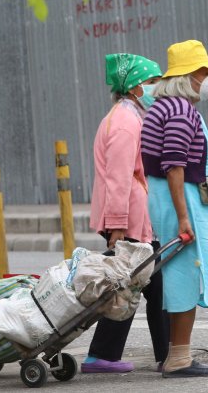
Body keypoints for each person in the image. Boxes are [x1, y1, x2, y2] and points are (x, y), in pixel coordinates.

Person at [140, 39, 208, 378]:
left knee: (183, 272)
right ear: (187, 76)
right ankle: (179, 357)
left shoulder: (165, 106)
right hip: (182, 200)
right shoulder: (179, 110)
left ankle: (178, 353)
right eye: (204, 72)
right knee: (186, 273)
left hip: (175, 197)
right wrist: (183, 218)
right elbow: (174, 166)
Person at [83, 53, 171, 374]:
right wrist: (118, 226)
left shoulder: (131, 116)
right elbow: (118, 178)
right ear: (134, 87)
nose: (156, 87)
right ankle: (165, 355)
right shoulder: (125, 123)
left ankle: (110, 355)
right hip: (130, 220)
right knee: (141, 285)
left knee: (139, 285)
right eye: (151, 82)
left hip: (134, 217)